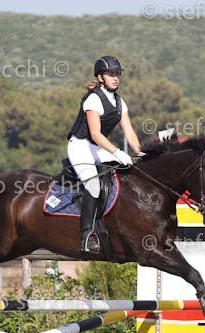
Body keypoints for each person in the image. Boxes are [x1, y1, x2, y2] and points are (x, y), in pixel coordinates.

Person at [67, 56, 143, 254]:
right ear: (101, 77)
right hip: (80, 147)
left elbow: (129, 132)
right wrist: (117, 152)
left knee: (123, 175)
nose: (116, 78)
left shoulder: (119, 102)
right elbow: (95, 134)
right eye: (111, 74)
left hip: (97, 148)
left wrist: (139, 152)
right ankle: (87, 236)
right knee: (94, 184)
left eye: (118, 74)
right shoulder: (93, 99)